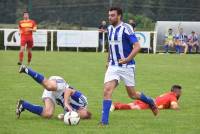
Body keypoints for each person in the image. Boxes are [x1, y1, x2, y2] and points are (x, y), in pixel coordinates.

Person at [100, 7, 158, 125]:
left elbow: (137, 46)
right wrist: (108, 61)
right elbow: (111, 47)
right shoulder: (110, 28)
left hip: (127, 66)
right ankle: (104, 122)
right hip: (113, 66)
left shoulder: (127, 28)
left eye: (112, 15)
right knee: (107, 90)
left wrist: (127, 59)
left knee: (132, 95)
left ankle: (150, 101)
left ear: (119, 16)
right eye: (109, 15)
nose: (109, 17)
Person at [16, 65, 91, 120]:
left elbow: (62, 116)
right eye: (80, 112)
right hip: (61, 86)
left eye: (79, 115)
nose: (77, 112)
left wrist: (64, 117)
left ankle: (23, 104)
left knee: (48, 114)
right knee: (49, 86)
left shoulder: (74, 114)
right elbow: (69, 90)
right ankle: (26, 69)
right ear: (84, 109)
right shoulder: (83, 101)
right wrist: (66, 103)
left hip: (55, 96)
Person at [110, 85, 182, 111]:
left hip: (147, 100)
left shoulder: (167, 94)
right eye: (180, 93)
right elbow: (174, 106)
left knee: (131, 104)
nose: (180, 94)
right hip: (150, 104)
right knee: (133, 108)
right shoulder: (173, 96)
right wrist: (178, 109)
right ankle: (116, 106)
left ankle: (113, 104)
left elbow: (163, 103)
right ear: (176, 92)